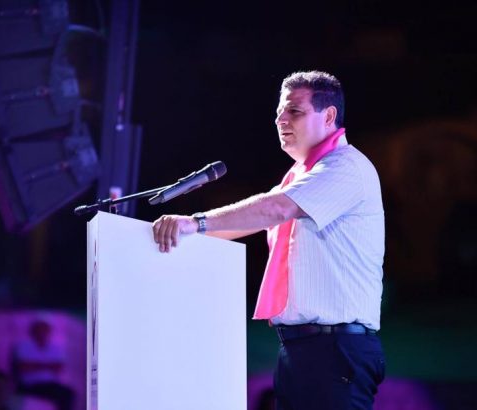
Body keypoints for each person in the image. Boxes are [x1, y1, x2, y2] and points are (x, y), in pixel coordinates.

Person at [152, 70, 385, 410]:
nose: (281, 120)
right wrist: (174, 232)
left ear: (329, 116)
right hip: (301, 350)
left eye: (295, 111)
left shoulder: (345, 167)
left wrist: (195, 222)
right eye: (279, 112)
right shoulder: (300, 177)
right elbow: (244, 222)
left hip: (335, 349)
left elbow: (274, 209)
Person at [12, 317, 74, 410]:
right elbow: (23, 368)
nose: (42, 332)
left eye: (45, 330)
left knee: (69, 394)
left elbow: (58, 368)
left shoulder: (56, 348)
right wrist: (48, 365)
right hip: (29, 385)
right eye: (39, 329)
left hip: (50, 385)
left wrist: (35, 365)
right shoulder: (22, 346)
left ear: (49, 332)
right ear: (33, 331)